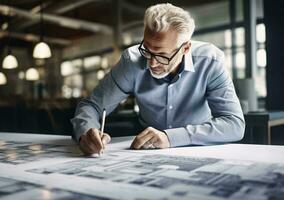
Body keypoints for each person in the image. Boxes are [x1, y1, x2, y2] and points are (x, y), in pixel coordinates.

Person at [71, 3, 245, 155]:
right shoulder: (131, 61)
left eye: (162, 55)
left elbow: (234, 124)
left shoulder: (210, 61)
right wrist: (86, 132)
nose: (152, 62)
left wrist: (170, 138)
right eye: (147, 49)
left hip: (197, 147)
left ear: (185, 48)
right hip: (146, 150)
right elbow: (92, 106)